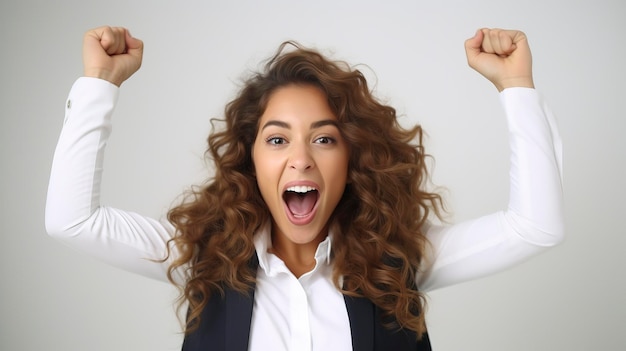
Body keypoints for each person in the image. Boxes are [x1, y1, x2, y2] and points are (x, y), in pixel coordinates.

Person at [45, 26, 564, 351]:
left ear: (352, 156)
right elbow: (72, 221)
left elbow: (535, 227)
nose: (300, 159)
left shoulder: (399, 258)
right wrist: (100, 84)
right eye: (277, 139)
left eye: (324, 138)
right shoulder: (204, 257)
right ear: (251, 158)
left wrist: (515, 87)